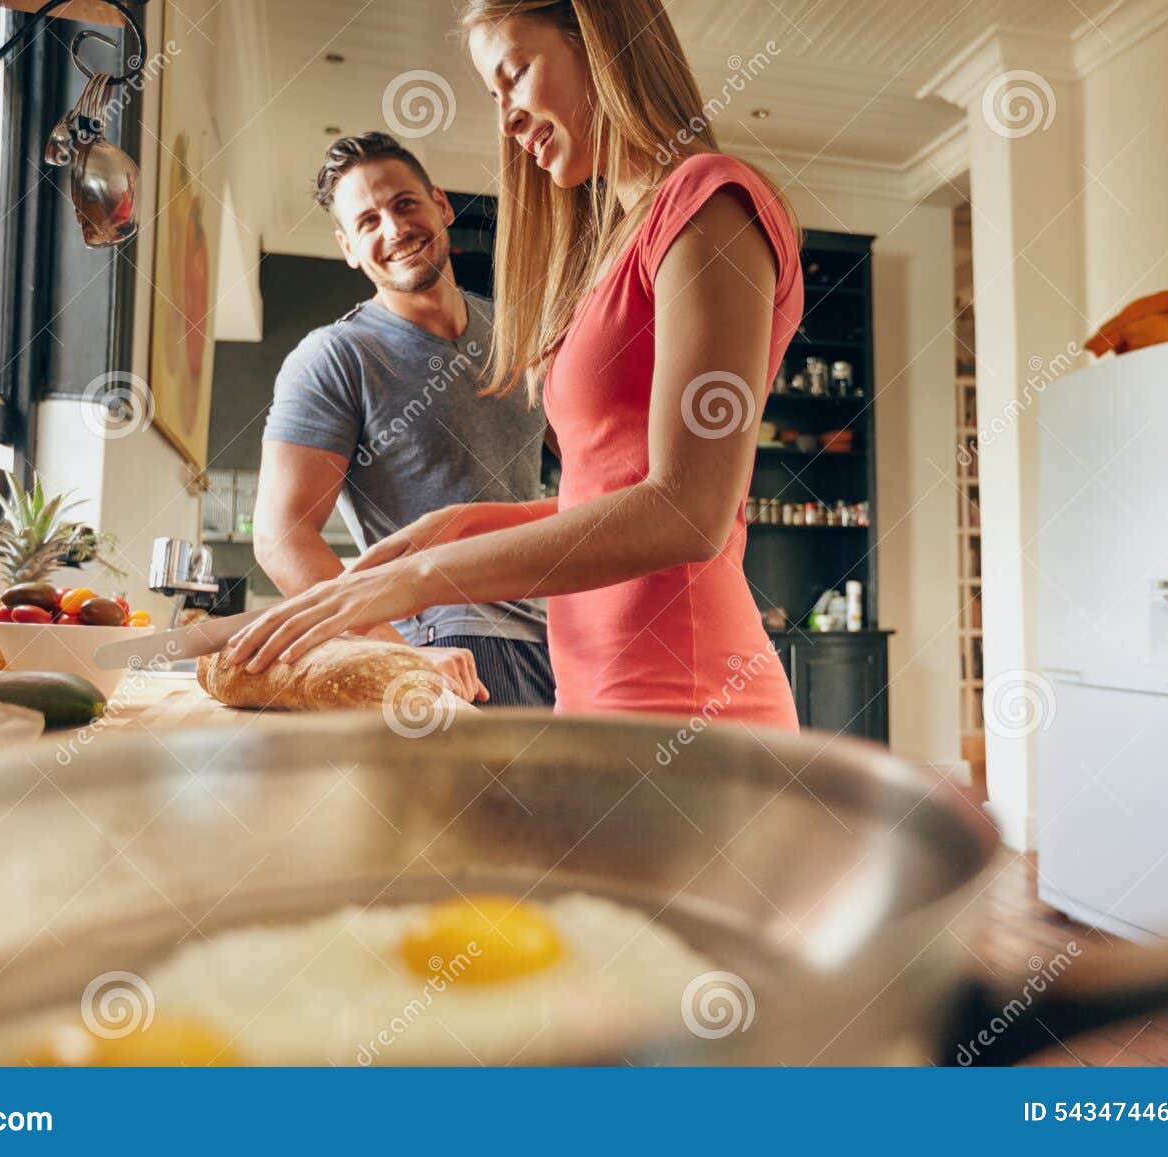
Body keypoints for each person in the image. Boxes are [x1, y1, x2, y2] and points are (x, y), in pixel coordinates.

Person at [232, 0, 801, 730]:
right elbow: (606, 489)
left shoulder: (707, 202)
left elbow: (687, 510)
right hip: (590, 682)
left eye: (516, 75)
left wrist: (416, 577)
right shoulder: (611, 252)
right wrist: (460, 524)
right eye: (492, 97)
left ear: (597, 42)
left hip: (682, 693)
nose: (504, 122)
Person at [251, 132, 555, 708]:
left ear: (440, 205)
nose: (393, 230)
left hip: (557, 636)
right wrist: (397, 656)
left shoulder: (519, 334)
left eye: (404, 204)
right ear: (348, 246)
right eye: (367, 221)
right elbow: (280, 538)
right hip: (446, 646)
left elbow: (599, 468)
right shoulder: (336, 357)